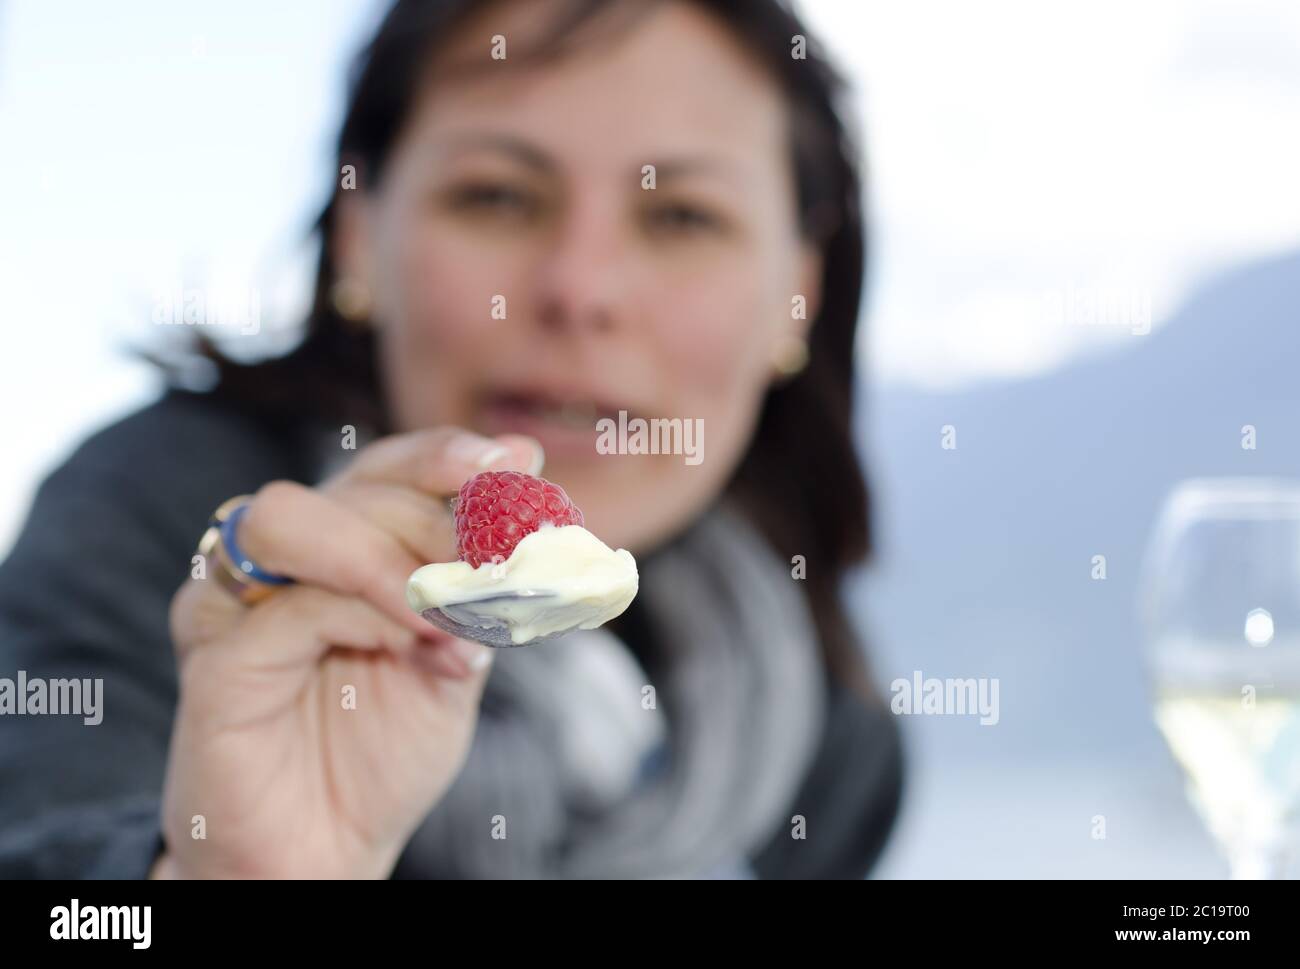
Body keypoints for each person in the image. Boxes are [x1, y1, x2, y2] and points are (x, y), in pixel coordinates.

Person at [0, 0, 902, 879]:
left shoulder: (827, 732)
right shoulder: (160, 523)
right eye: (498, 196)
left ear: (800, 293)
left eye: (681, 216)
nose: (579, 287)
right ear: (360, 237)